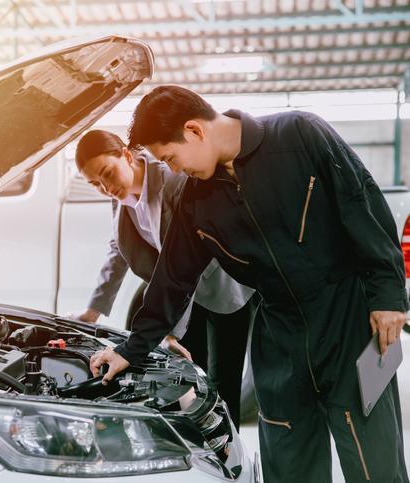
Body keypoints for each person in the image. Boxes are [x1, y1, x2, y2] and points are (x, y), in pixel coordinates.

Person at [89, 85, 408, 483]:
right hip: (278, 336)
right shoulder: (195, 199)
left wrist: (389, 296)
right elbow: (172, 277)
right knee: (289, 464)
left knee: (374, 459)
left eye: (170, 157)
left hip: (350, 322)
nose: (171, 170)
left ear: (194, 130)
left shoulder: (301, 134)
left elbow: (363, 205)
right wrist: (132, 349)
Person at [74, 129, 256, 429]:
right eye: (95, 184)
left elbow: (185, 264)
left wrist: (167, 330)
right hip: (181, 295)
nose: (105, 187)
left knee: (223, 381)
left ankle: (227, 450)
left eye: (107, 173)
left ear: (127, 155)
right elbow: (117, 250)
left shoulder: (173, 181)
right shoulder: (119, 196)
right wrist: (93, 310)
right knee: (187, 377)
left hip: (221, 286)